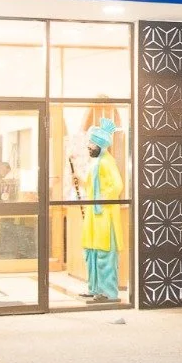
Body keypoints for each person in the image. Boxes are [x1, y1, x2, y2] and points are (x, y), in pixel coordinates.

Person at [82, 118, 124, 302]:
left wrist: (99, 201)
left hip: (104, 217)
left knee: (104, 255)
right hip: (94, 217)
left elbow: (117, 186)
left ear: (100, 144)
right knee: (92, 253)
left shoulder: (107, 162)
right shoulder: (96, 162)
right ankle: (95, 288)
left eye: (91, 143)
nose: (89, 146)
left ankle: (108, 292)